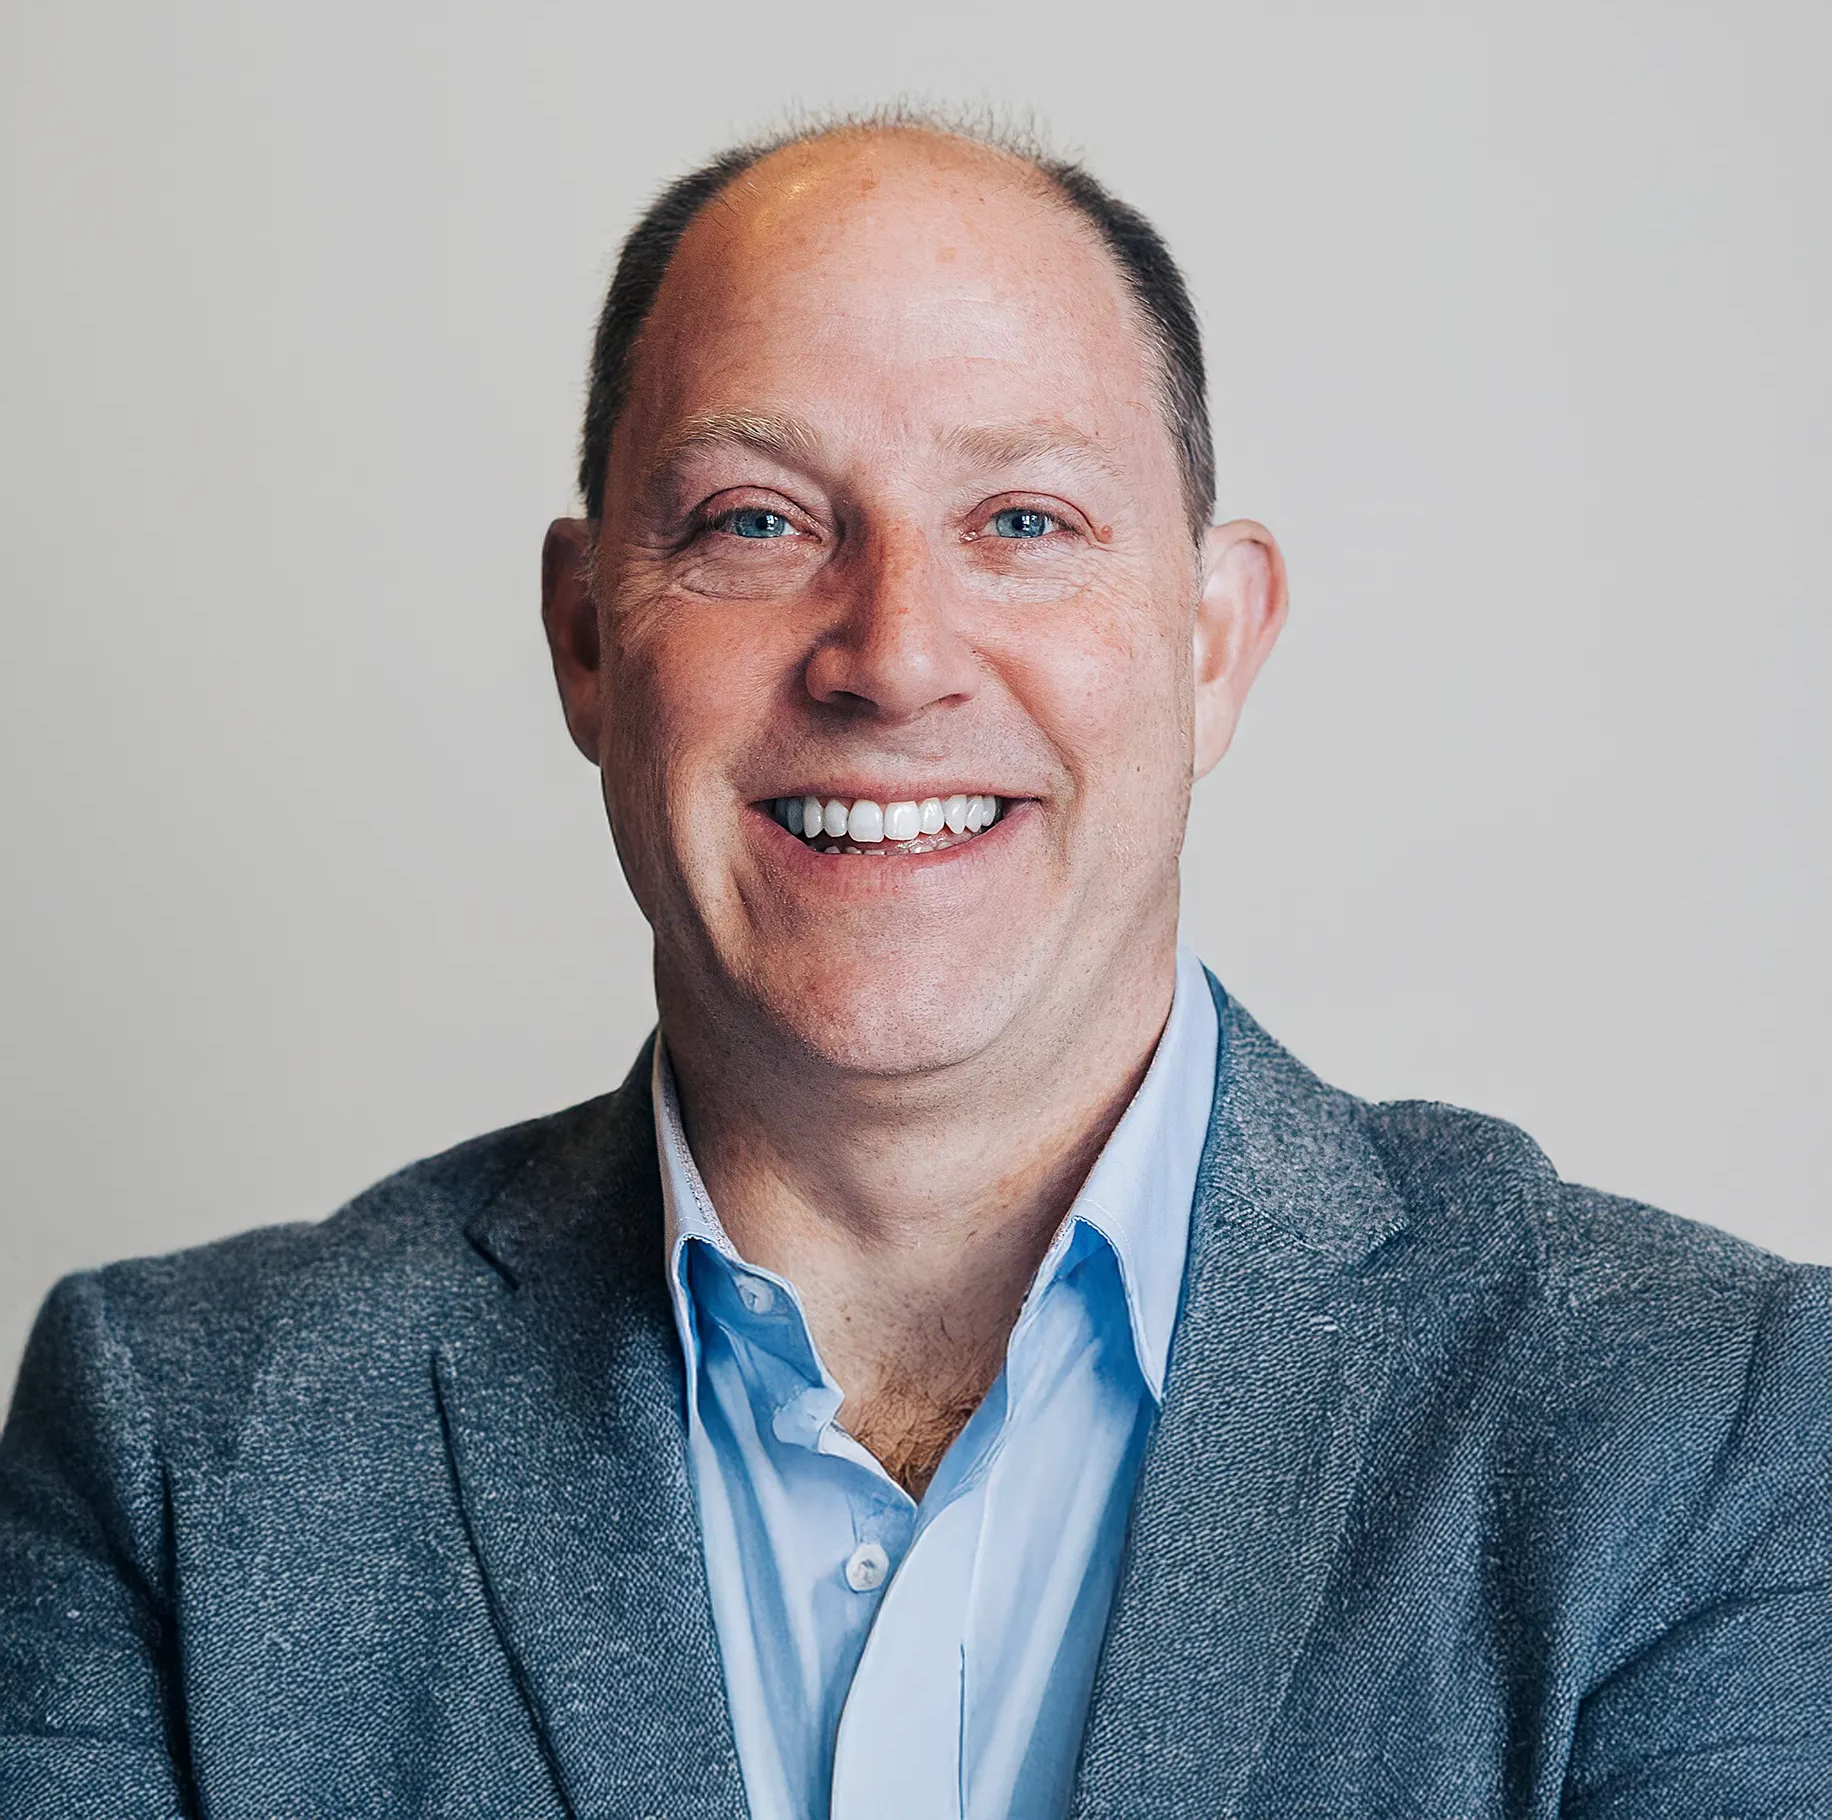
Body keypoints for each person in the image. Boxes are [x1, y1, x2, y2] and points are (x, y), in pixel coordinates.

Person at [1, 111, 1827, 1820]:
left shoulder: (1705, 1421)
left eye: (1022, 522)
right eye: (757, 522)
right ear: (585, 641)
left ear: (1212, 644)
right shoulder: (180, 1450)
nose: (892, 655)